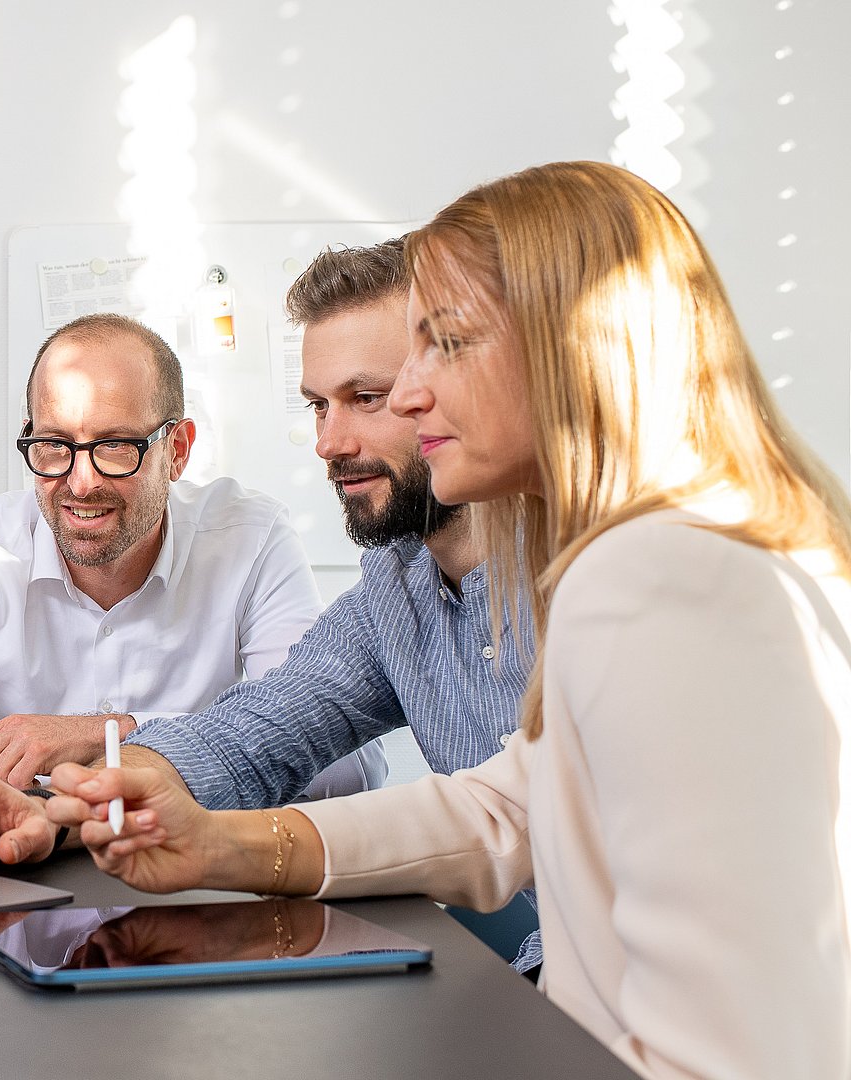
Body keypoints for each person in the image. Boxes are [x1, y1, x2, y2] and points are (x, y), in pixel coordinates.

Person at [44, 162, 851, 1079]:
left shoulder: (658, 576)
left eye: (447, 345)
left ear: (577, 349)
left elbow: (727, 1054)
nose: (409, 395)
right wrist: (190, 837)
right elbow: (502, 806)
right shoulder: (593, 562)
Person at [0, 240, 541, 970]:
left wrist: (161, 808)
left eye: (367, 398)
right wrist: (57, 816)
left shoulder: (584, 573)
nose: (328, 443)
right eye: (318, 406)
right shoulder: (391, 591)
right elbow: (250, 737)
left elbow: (496, 816)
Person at [0, 313, 385, 799]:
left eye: (114, 445)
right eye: (54, 444)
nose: (80, 482)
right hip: (5, 873)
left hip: (194, 877)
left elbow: (344, 764)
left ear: (177, 450)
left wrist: (111, 736)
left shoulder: (250, 539)